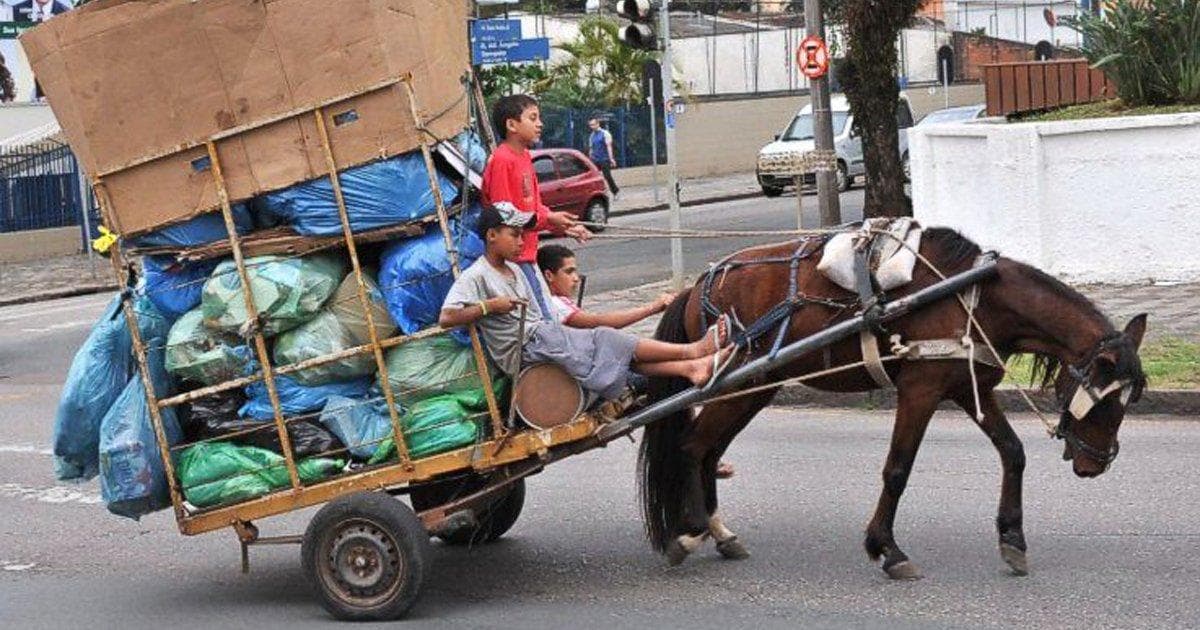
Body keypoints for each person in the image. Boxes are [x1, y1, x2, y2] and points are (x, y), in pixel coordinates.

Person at [439, 204, 731, 403]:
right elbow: (447, 317)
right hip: (525, 348)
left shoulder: (515, 269)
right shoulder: (476, 275)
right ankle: (691, 352)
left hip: (542, 336)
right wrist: (490, 307)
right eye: (514, 235)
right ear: (491, 236)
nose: (521, 242)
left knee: (612, 354)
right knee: (605, 339)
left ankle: (690, 368)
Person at [537, 243, 737, 479]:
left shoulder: (561, 302)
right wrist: (653, 307)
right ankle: (696, 448)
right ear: (549, 275)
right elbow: (601, 322)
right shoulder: (555, 304)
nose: (576, 279)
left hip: (588, 367)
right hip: (581, 379)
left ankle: (694, 364)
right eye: (569, 272)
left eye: (575, 271)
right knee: (644, 364)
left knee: (633, 354)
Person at [482, 94, 591, 322]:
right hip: (516, 258)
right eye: (533, 118)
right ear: (512, 125)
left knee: (546, 317)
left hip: (528, 254)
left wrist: (561, 224)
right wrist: (549, 220)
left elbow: (534, 205)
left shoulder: (524, 158)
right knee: (543, 322)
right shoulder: (503, 160)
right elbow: (504, 214)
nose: (540, 123)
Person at [587, 116, 620, 198]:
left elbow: (609, 146)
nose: (592, 127)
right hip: (595, 159)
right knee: (594, 178)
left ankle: (615, 192)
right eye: (590, 125)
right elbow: (591, 148)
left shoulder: (605, 133)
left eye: (593, 124)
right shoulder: (592, 136)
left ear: (598, 124)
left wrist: (611, 159)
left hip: (604, 159)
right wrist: (590, 158)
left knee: (607, 176)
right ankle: (598, 194)